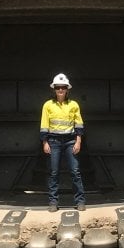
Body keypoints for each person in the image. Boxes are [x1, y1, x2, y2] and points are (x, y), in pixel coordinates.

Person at [40, 73, 86, 212]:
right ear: (54, 89)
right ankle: (53, 202)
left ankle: (80, 201)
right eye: (58, 87)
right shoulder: (47, 105)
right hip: (53, 141)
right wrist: (45, 143)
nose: (60, 90)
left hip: (70, 141)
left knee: (75, 171)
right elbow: (44, 125)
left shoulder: (74, 105)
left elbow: (78, 125)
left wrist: (78, 142)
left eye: (63, 87)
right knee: (54, 172)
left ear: (67, 89)